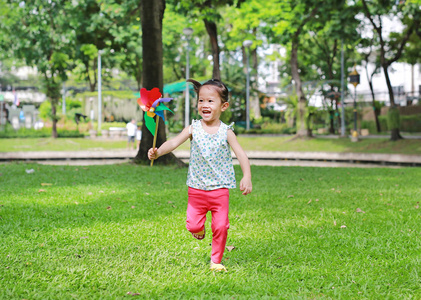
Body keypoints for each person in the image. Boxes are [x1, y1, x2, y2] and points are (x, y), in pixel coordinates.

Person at [148, 78, 252, 272]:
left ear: (224, 106)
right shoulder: (193, 128)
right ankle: (199, 229)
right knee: (193, 226)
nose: (204, 104)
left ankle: (216, 260)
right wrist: (158, 151)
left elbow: (242, 155)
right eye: (201, 101)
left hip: (220, 190)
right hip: (196, 189)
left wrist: (246, 176)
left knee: (220, 227)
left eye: (210, 101)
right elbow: (173, 142)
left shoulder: (226, 132)